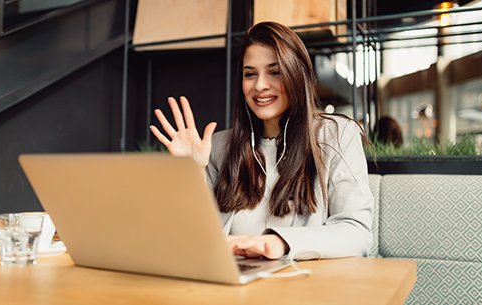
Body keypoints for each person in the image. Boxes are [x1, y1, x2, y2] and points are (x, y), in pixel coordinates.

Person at [150, 21, 373, 261]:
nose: (260, 85)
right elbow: (197, 240)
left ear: (298, 74)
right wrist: (193, 172)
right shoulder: (221, 147)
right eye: (250, 74)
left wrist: (280, 243)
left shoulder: (337, 135)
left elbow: (356, 232)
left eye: (274, 72)